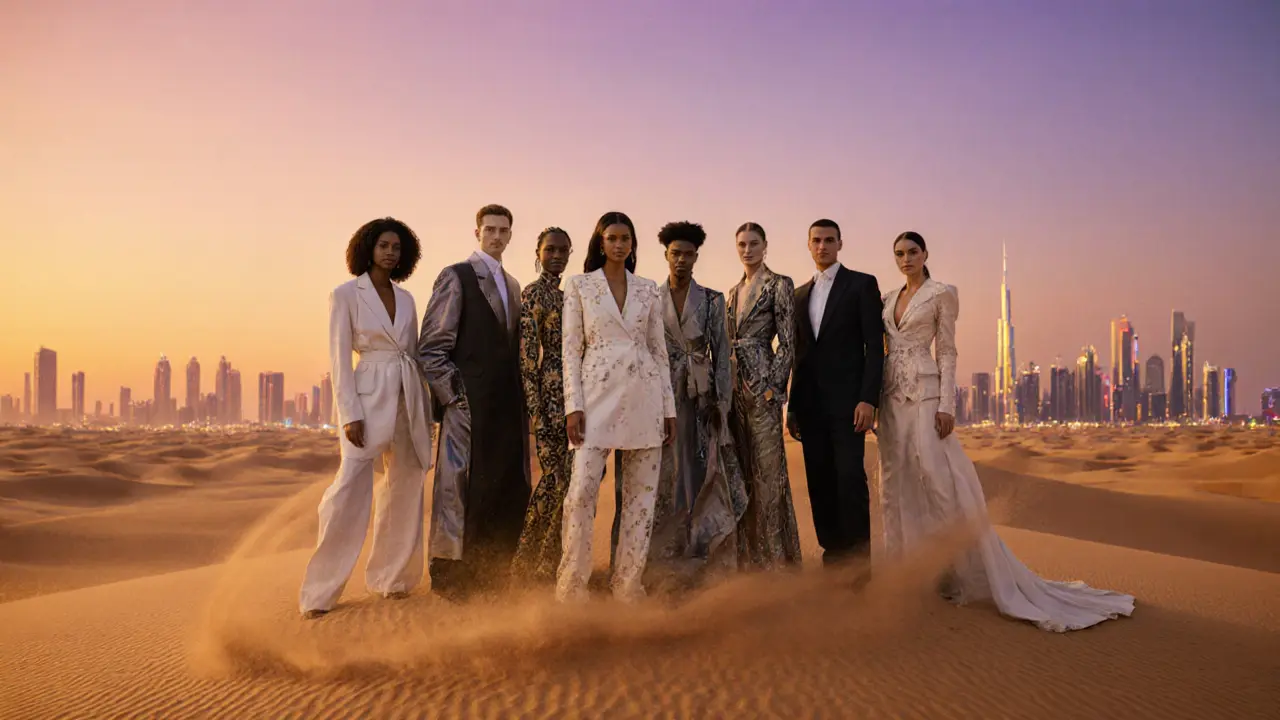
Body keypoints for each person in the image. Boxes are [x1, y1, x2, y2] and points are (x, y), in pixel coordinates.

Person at [877, 231, 1135, 631]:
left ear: (926, 253)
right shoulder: (888, 298)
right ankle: (906, 571)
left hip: (926, 395)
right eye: (899, 253)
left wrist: (947, 405)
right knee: (895, 482)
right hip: (890, 397)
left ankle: (956, 571)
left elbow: (946, 350)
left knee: (936, 478)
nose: (905, 258)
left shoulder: (941, 292)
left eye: (912, 252)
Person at [299, 217, 434, 618]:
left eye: (396, 247)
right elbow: (339, 359)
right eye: (383, 246)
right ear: (368, 249)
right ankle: (320, 593)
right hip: (367, 395)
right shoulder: (345, 295)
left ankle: (392, 580)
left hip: (408, 395)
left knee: (406, 484)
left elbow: (413, 351)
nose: (390, 253)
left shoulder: (407, 298)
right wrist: (349, 413)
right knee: (350, 488)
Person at [558, 211, 676, 603]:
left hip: (645, 396)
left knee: (642, 498)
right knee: (582, 492)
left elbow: (659, 352)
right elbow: (571, 351)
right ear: (600, 241)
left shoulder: (648, 290)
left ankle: (628, 585)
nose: (620, 244)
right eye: (612, 238)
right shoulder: (580, 286)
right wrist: (573, 406)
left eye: (626, 238)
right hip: (595, 399)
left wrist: (668, 408)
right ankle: (572, 587)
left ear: (633, 244)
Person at [417, 204, 531, 600]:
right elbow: (432, 346)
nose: (497, 236)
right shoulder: (457, 276)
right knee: (459, 489)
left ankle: (492, 574)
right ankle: (450, 577)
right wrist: (455, 398)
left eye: (503, 230)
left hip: (506, 405)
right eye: (490, 229)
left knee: (501, 486)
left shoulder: (515, 285)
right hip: (470, 404)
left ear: (511, 235)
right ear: (477, 232)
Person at [647, 221, 746, 584]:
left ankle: (703, 554)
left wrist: (721, 404)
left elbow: (722, 355)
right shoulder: (649, 298)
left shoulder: (712, 299)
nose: (682, 260)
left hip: (701, 398)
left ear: (697, 257)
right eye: (676, 254)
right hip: (661, 396)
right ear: (666, 256)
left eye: (689, 254)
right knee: (665, 474)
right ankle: (662, 557)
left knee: (704, 471)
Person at [788, 218, 885, 567]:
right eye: (816, 240)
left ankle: (858, 567)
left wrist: (868, 398)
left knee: (849, 479)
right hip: (811, 407)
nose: (822, 246)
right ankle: (833, 557)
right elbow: (799, 354)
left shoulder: (861, 285)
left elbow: (875, 347)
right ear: (809, 245)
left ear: (840, 244)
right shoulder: (799, 294)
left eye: (829, 240)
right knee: (820, 482)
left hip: (849, 405)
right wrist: (793, 408)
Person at [726, 222, 802, 570]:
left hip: (763, 390)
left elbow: (788, 342)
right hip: (733, 391)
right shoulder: (732, 292)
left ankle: (777, 561)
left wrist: (774, 388)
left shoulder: (778, 284)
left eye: (753, 243)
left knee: (770, 474)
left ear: (765, 246)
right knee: (741, 474)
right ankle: (748, 560)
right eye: (741, 244)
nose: (747, 250)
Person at [510, 227, 574, 583]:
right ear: (538, 252)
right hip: (549, 398)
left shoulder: (570, 296)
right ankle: (529, 564)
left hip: (576, 396)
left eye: (563, 250)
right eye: (550, 249)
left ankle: (551, 562)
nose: (557, 256)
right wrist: (534, 408)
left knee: (568, 483)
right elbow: (526, 356)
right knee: (555, 480)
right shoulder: (533, 294)